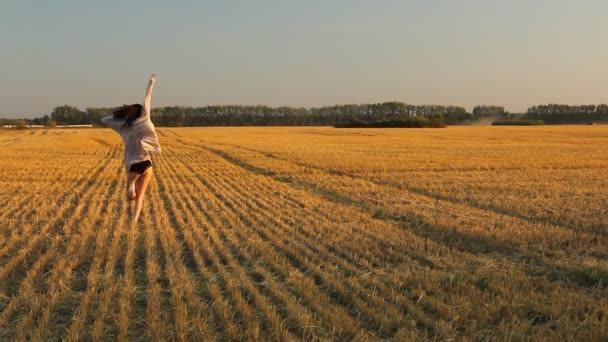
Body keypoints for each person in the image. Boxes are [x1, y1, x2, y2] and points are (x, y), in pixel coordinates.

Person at [101, 74, 161, 224]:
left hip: (132, 164)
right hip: (146, 163)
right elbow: (147, 99)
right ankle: (133, 223)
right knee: (140, 197)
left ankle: (131, 187)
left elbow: (104, 120)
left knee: (131, 185)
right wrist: (151, 82)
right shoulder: (145, 118)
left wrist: (121, 116)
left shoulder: (124, 127)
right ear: (140, 112)